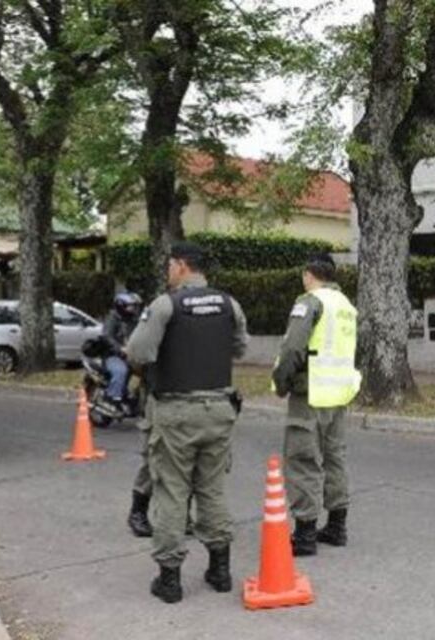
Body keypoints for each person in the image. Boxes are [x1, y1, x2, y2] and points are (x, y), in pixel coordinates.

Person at [126, 242, 249, 604]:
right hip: (219, 409)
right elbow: (240, 348)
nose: (168, 271)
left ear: (181, 266)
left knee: (172, 491)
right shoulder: (229, 304)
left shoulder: (166, 305)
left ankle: (170, 580)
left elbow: (138, 352)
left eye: (170, 265)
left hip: (176, 411)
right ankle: (220, 570)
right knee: (212, 489)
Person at [271, 253, 361, 557]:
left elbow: (292, 348)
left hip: (310, 393)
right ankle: (337, 526)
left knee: (303, 460)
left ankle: (305, 533)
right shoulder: (346, 305)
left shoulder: (310, 302)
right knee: (335, 458)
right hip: (338, 395)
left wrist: (281, 382)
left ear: (308, 274)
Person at [99, 292, 142, 414]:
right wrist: (120, 349)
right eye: (130, 306)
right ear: (121, 306)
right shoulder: (112, 318)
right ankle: (112, 399)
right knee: (121, 371)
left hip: (131, 355)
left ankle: (135, 397)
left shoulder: (134, 320)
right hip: (113, 355)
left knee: (148, 371)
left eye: (135, 306)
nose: (134, 309)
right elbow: (106, 337)